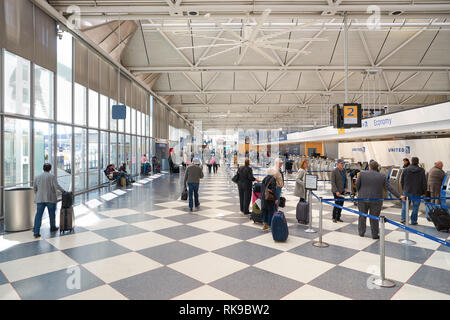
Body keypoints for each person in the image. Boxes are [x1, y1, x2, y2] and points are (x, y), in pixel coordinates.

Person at [356, 161, 405, 239]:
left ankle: (361, 232)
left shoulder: (362, 174)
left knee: (362, 216)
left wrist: (360, 193)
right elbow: (389, 188)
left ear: (369, 167)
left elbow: (357, 185)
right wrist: (399, 196)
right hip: (376, 200)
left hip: (362, 199)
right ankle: (375, 234)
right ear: (377, 168)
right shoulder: (382, 176)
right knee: (374, 218)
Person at [33, 163, 66, 238]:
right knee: (52, 214)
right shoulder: (52, 176)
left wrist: (38, 194)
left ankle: (36, 232)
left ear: (43, 168)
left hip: (40, 199)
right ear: (50, 169)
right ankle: (52, 227)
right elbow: (56, 186)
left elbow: (34, 188)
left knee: (38, 215)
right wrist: (63, 191)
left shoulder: (37, 177)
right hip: (50, 198)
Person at [400, 156, 427, 225]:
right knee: (415, 207)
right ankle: (413, 221)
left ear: (411, 161)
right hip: (417, 192)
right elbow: (424, 182)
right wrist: (424, 192)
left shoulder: (405, 169)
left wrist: (404, 189)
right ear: (418, 162)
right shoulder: (421, 170)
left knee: (405, 206)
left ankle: (403, 219)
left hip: (407, 191)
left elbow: (401, 181)